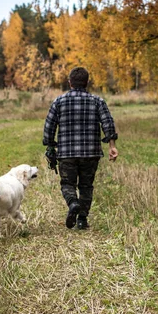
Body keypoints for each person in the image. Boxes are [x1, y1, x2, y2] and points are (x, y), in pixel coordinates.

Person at [43, 67, 118, 229]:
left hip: (66, 153)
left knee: (67, 184)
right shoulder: (98, 101)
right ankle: (82, 219)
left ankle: (73, 203)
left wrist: (50, 146)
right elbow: (108, 124)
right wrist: (112, 146)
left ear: (70, 82)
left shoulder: (59, 102)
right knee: (86, 186)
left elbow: (49, 127)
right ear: (87, 83)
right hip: (91, 153)